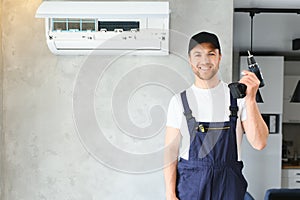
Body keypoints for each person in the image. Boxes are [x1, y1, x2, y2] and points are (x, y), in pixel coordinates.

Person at [163, 31, 269, 200]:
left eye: (211, 54)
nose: (204, 61)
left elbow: (260, 143)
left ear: (219, 57)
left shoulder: (238, 99)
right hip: (191, 184)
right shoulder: (179, 101)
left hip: (229, 184)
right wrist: (170, 194)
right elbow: (170, 152)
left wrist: (250, 99)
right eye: (198, 54)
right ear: (190, 59)